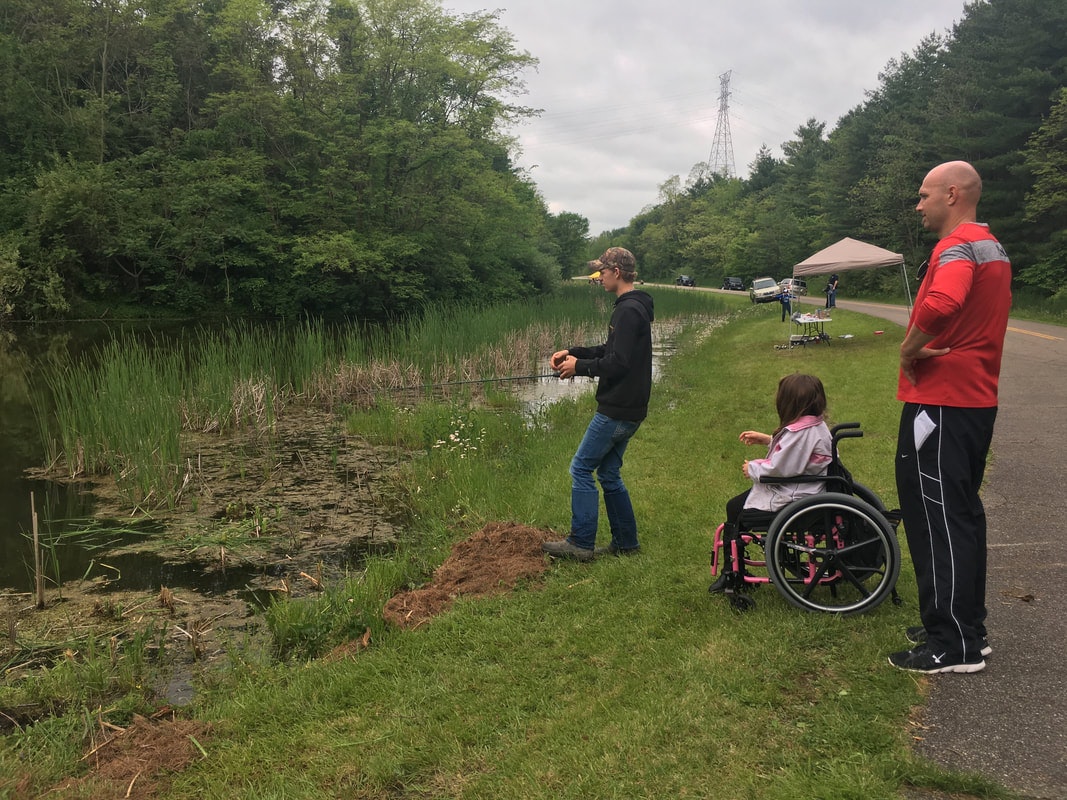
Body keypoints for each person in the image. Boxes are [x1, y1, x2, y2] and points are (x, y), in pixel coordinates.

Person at [889, 160, 1012, 674]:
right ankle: (964, 625)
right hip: (972, 400)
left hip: (943, 401)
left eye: (924, 195)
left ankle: (952, 645)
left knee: (936, 517)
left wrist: (910, 348)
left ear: (953, 194)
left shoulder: (957, 246)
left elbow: (941, 301)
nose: (918, 205)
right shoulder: (992, 246)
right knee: (959, 513)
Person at [542, 247, 655, 562]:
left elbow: (617, 363)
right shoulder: (633, 307)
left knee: (580, 468)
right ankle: (626, 542)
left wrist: (579, 367)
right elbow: (610, 349)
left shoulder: (628, 310)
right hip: (630, 409)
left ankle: (580, 543)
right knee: (608, 473)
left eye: (602, 272)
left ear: (616, 272)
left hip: (617, 409)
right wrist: (572, 352)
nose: (599, 276)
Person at [709, 373, 833, 592]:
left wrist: (754, 469)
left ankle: (732, 572)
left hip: (796, 496)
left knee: (735, 508)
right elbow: (797, 455)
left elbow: (779, 468)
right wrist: (768, 439)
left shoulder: (802, 434)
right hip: (807, 489)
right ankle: (733, 568)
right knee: (737, 506)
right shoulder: (816, 426)